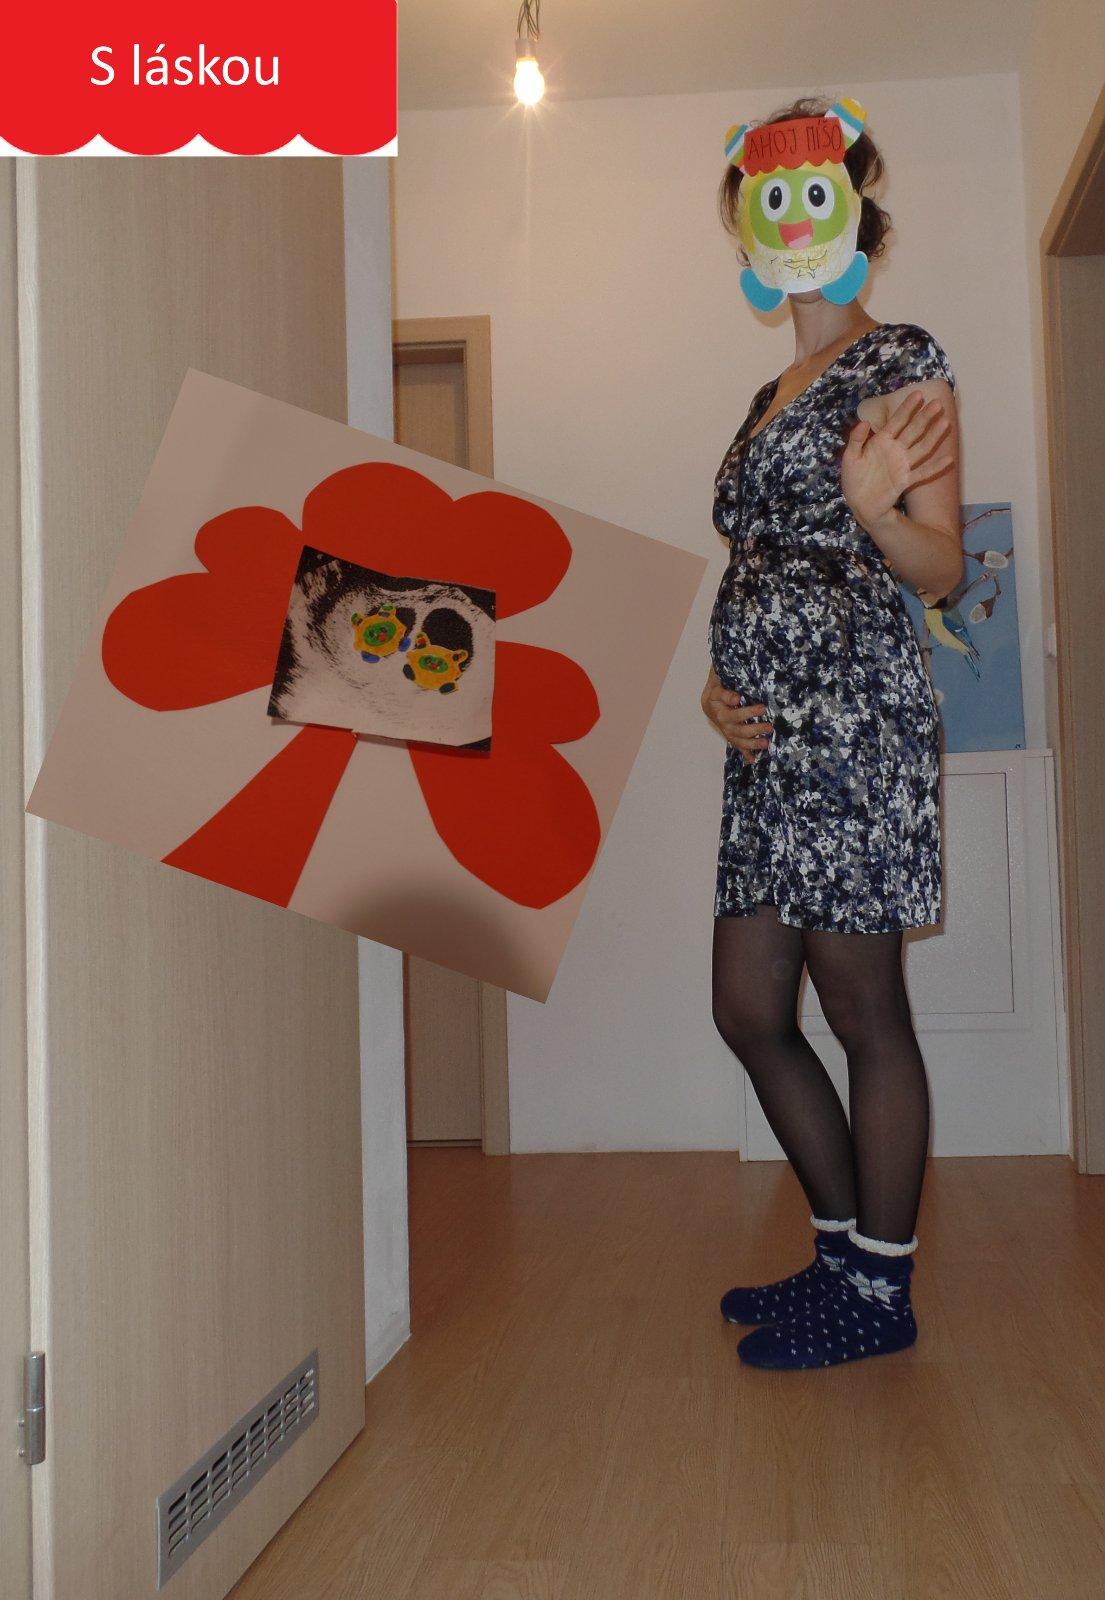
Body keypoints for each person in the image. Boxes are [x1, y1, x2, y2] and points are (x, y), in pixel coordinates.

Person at [702, 96, 963, 1369]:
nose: (793, 217)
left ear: (853, 209)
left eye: (815, 192)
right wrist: (715, 687)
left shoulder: (899, 360)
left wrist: (875, 509)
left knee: (862, 1005)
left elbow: (941, 565)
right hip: (763, 740)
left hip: (855, 721)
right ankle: (841, 1253)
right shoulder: (770, 390)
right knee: (747, 1006)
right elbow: (753, 563)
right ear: (747, 226)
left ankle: (879, 1291)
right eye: (766, 198)